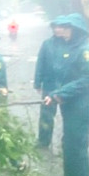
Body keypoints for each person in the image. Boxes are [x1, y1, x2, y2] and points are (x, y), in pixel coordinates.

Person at [42, 13, 89, 176]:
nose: (62, 32)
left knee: (76, 146)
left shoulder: (85, 50)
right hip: (71, 105)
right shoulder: (70, 48)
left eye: (66, 28)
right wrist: (54, 94)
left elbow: (88, 79)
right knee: (69, 144)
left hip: (82, 107)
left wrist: (60, 93)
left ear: (76, 30)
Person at [33, 16, 67, 149]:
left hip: (66, 87)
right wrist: (37, 82)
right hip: (49, 85)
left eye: (60, 27)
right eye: (55, 27)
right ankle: (43, 140)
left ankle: (67, 142)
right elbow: (40, 63)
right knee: (46, 115)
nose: (58, 30)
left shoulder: (70, 44)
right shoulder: (47, 44)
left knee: (68, 116)